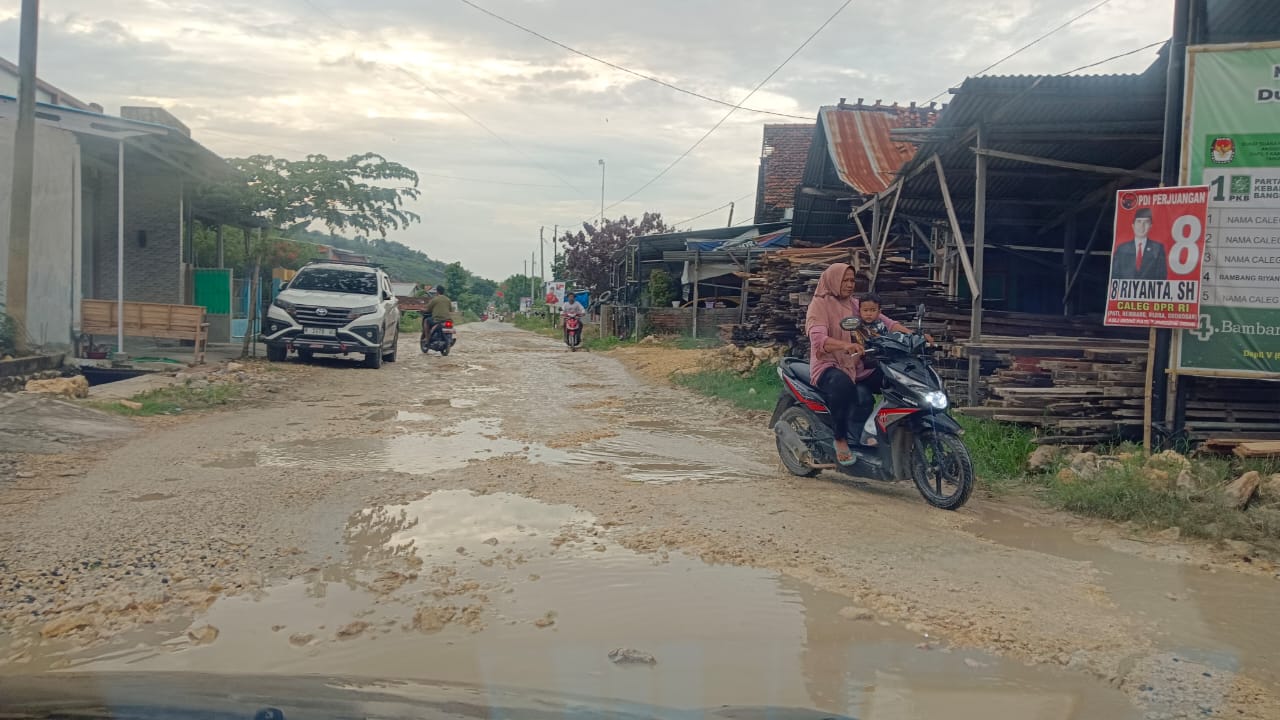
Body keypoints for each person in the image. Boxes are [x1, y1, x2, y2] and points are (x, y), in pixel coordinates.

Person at [804, 263, 878, 465]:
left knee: (887, 377)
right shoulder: (818, 305)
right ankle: (840, 438)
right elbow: (819, 340)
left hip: (853, 364)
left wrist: (912, 335)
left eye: (852, 280)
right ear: (833, 281)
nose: (849, 284)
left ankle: (872, 429)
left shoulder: (853, 303)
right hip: (827, 365)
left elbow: (885, 321)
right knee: (842, 386)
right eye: (844, 280)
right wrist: (844, 345)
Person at [1110, 208, 1168, 281]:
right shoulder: (1122, 248)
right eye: (1139, 222)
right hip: (1126, 291)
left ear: (1151, 226)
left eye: (1146, 222)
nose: (1142, 226)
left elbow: (1161, 277)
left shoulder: (1158, 248)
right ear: (1133, 225)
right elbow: (1115, 275)